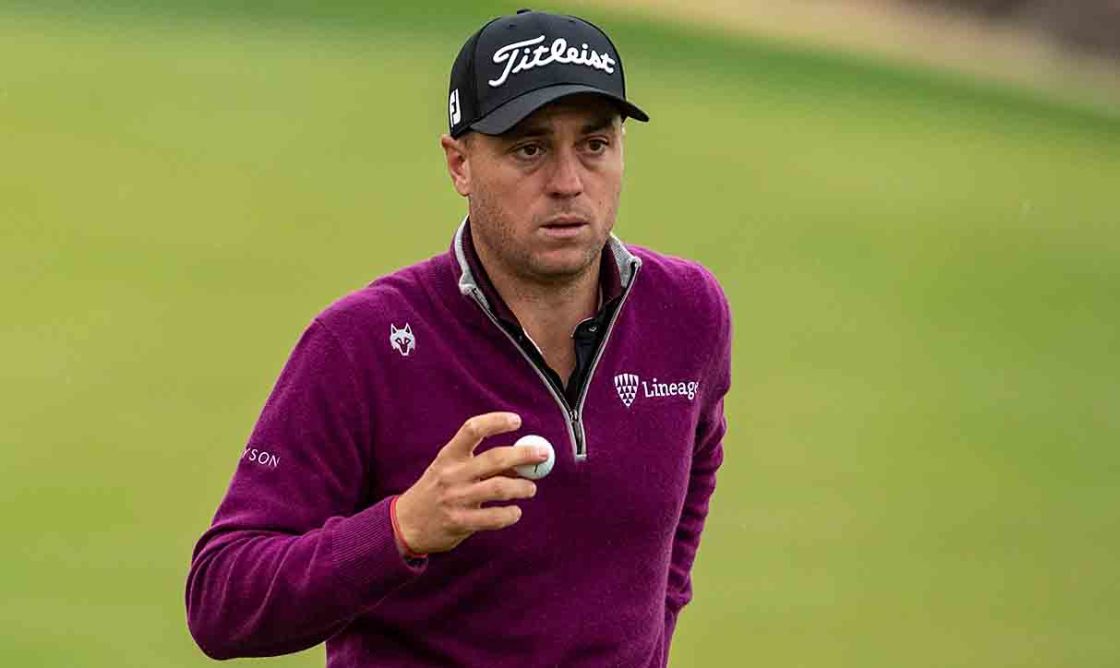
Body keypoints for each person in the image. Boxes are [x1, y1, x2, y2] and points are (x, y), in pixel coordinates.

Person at [185, 9, 732, 667]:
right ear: (459, 163)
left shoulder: (688, 313)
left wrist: (652, 646)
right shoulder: (362, 343)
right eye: (528, 148)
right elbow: (221, 599)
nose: (566, 182)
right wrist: (402, 529)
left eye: (594, 144)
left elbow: (686, 507)